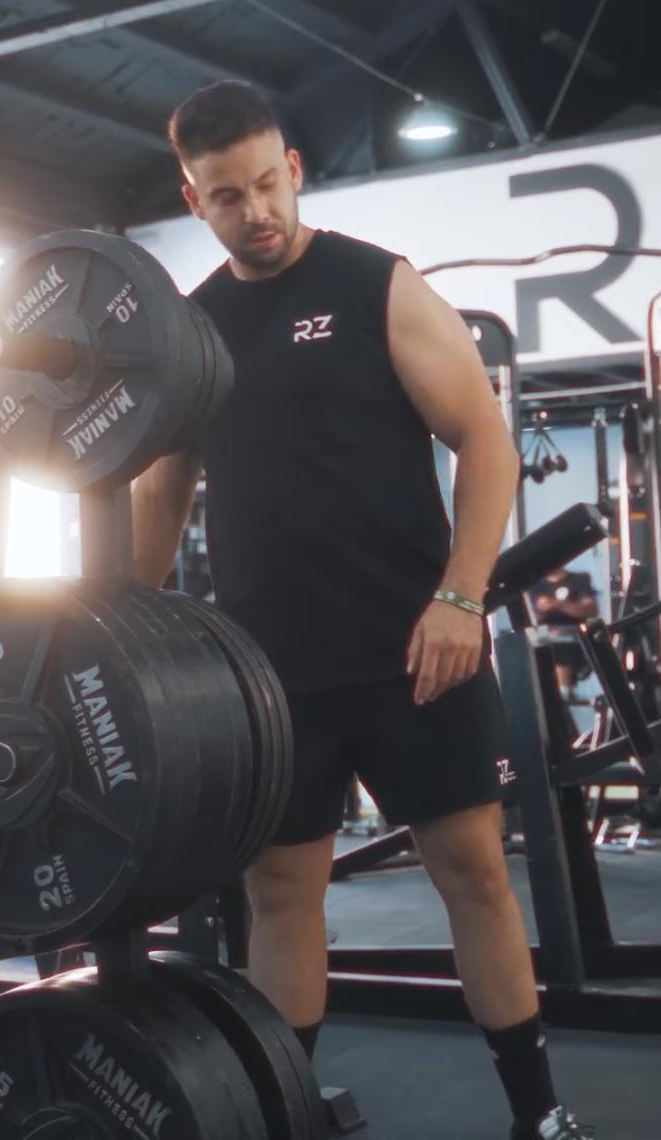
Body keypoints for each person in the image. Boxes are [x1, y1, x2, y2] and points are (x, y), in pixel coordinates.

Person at [131, 81, 594, 1140]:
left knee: (472, 873)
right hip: (271, 670)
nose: (255, 211)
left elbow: (485, 440)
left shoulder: (376, 284)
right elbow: (159, 491)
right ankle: (284, 1117)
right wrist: (122, 625)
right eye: (226, 196)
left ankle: (540, 1114)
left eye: (266, 184)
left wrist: (461, 597)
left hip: (415, 651)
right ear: (193, 200)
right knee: (281, 894)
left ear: (293, 168)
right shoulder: (195, 330)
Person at [531, 568, 599, 696]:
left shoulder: (579, 579)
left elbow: (591, 609)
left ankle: (564, 691)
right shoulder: (535, 586)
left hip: (574, 637)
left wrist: (558, 605)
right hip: (544, 636)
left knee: (560, 648)